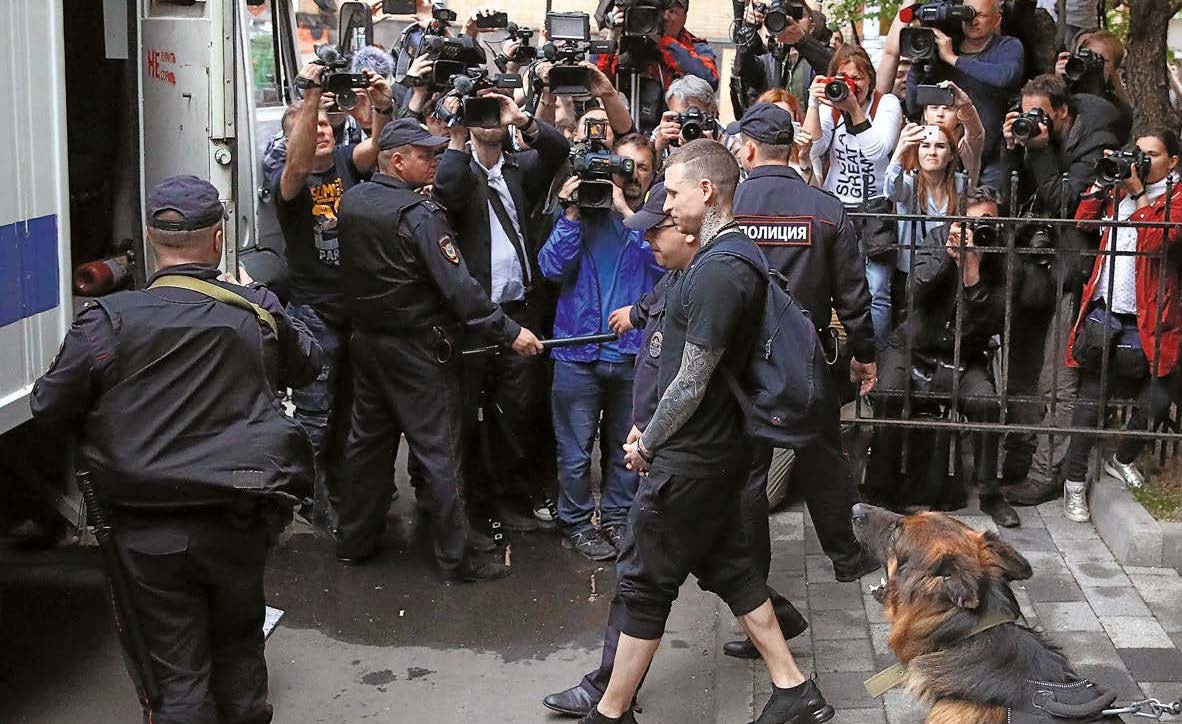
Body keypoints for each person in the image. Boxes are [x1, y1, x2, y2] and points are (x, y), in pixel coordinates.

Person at [31, 175, 322, 723]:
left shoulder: (108, 321)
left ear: (149, 239)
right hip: (239, 521)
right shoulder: (254, 310)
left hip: (145, 530)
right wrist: (255, 296)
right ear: (218, 239)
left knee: (177, 678)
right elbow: (309, 363)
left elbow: (48, 405)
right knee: (240, 651)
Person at [572, 139, 833, 724]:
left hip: (692, 459)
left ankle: (610, 713)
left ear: (706, 191)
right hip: (714, 452)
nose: (666, 203)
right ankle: (794, 690)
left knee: (644, 582)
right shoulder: (729, 257)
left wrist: (648, 441)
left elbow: (692, 381)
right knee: (730, 569)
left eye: (673, 192)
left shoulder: (718, 272)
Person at [333, 118, 544, 581]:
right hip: (417, 350)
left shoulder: (353, 201)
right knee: (440, 452)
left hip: (367, 344)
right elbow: (460, 290)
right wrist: (509, 332)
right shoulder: (420, 216)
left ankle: (354, 540)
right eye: (425, 155)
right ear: (397, 161)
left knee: (367, 445)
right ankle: (457, 559)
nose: (434, 162)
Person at [730, 102, 879, 582]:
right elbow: (854, 295)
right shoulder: (826, 209)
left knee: (748, 473)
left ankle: (752, 583)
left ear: (748, 150)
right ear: (793, 149)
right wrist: (864, 354)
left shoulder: (727, 205)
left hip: (738, 358)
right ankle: (848, 557)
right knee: (823, 458)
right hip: (805, 356)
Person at [432, 90, 571, 534]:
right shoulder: (459, 169)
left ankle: (512, 497)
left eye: (494, 111)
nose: (489, 119)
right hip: (475, 315)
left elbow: (557, 151)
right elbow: (446, 190)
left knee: (518, 408)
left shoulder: (518, 168)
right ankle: (477, 503)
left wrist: (521, 119)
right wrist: (457, 135)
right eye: (481, 112)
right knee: (471, 412)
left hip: (521, 308)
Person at [273, 61, 391, 530]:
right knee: (314, 415)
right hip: (313, 313)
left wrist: (380, 108)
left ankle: (339, 490)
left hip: (355, 310)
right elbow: (299, 164)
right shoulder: (289, 179)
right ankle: (302, 497)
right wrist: (310, 95)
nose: (321, 130)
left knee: (350, 411)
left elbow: (377, 147)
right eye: (311, 126)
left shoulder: (347, 161)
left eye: (326, 123)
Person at [865, 186, 1020, 528]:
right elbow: (914, 291)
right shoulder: (937, 238)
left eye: (987, 220)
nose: (979, 228)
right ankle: (881, 489)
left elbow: (997, 319)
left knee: (986, 403)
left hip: (966, 356)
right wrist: (949, 259)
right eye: (971, 221)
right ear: (958, 219)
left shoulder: (1004, 257)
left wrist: (972, 273)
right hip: (913, 348)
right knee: (888, 394)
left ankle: (990, 494)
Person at [538, 134, 662, 561]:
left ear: (653, 174)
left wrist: (629, 215)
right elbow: (550, 269)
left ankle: (616, 518)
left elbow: (666, 266)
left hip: (632, 355)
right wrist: (572, 213)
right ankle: (575, 522)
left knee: (627, 450)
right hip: (578, 352)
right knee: (574, 454)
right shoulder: (583, 215)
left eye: (641, 167)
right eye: (622, 165)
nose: (631, 175)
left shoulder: (656, 222)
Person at [998, 73, 1122, 498]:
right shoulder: (1036, 139)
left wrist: (1039, 150)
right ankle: (1020, 457)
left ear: (1063, 112)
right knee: (1022, 373)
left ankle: (1045, 474)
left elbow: (1067, 202)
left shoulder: (1095, 141)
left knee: (1057, 378)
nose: (1032, 121)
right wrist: (1013, 147)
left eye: (1040, 114)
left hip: (1071, 273)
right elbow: (1010, 193)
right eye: (1026, 113)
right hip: (1032, 267)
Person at [1059, 129, 1182, 523]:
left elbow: (1155, 242)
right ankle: (1073, 483)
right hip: (1106, 307)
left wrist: (1138, 194)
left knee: (1158, 396)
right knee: (1090, 398)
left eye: (1152, 155)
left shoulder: (1176, 198)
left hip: (1153, 316)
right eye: (1138, 153)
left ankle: (1123, 457)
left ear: (1173, 161)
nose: (1142, 162)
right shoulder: (1118, 189)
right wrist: (1103, 178)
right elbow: (1083, 222)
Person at [804, 44, 903, 351]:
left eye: (857, 78)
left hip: (876, 208)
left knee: (877, 290)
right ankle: (837, 357)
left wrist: (854, 109)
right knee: (830, 287)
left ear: (870, 79)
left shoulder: (886, 104)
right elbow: (811, 148)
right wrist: (813, 104)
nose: (850, 84)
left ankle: (874, 359)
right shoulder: (830, 105)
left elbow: (877, 151)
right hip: (837, 207)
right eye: (843, 77)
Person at [895, 0, 1026, 189]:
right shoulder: (945, 46)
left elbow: (1004, 76)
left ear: (997, 20)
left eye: (981, 15)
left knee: (988, 205)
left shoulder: (1008, 46)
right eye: (967, 14)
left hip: (994, 154)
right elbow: (914, 104)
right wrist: (919, 61)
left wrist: (952, 59)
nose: (973, 21)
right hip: (947, 155)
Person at [595, 0, 719, 134]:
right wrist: (612, 36)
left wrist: (663, 41)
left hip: (685, 130)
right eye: (658, 10)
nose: (664, 17)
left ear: (685, 17)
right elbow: (598, 82)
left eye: (672, 11)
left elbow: (709, 80)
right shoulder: (627, 46)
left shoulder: (695, 47)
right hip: (639, 130)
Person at [884, 121, 965, 299]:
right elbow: (891, 191)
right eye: (925, 146)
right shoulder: (908, 182)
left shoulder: (961, 183)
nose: (932, 152)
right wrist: (900, 151)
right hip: (910, 272)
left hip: (949, 272)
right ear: (917, 152)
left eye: (940, 146)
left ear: (951, 155)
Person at [731, 4, 833, 116]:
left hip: (812, 123)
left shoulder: (822, 54)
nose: (792, 20)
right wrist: (747, 29)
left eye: (798, 14)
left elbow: (831, 69)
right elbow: (744, 77)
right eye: (786, 15)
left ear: (812, 24)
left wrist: (802, 41)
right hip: (773, 123)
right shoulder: (768, 59)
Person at [1054, 30, 1133, 144]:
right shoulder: (1066, 97)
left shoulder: (1119, 109)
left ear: (1114, 67)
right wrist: (1058, 83)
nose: (1092, 65)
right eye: (1088, 58)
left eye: (1102, 60)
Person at [919, 80, 985, 186]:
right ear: (925, 113)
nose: (940, 114)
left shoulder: (965, 146)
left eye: (948, 109)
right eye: (934, 108)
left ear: (959, 115)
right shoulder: (913, 139)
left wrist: (966, 105)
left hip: (960, 195)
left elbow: (976, 133)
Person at [652, 75, 725, 159]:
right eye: (681, 118)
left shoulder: (729, 139)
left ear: (713, 113)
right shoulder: (663, 133)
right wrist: (657, 149)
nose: (690, 126)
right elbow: (648, 166)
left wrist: (711, 150)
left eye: (696, 118)